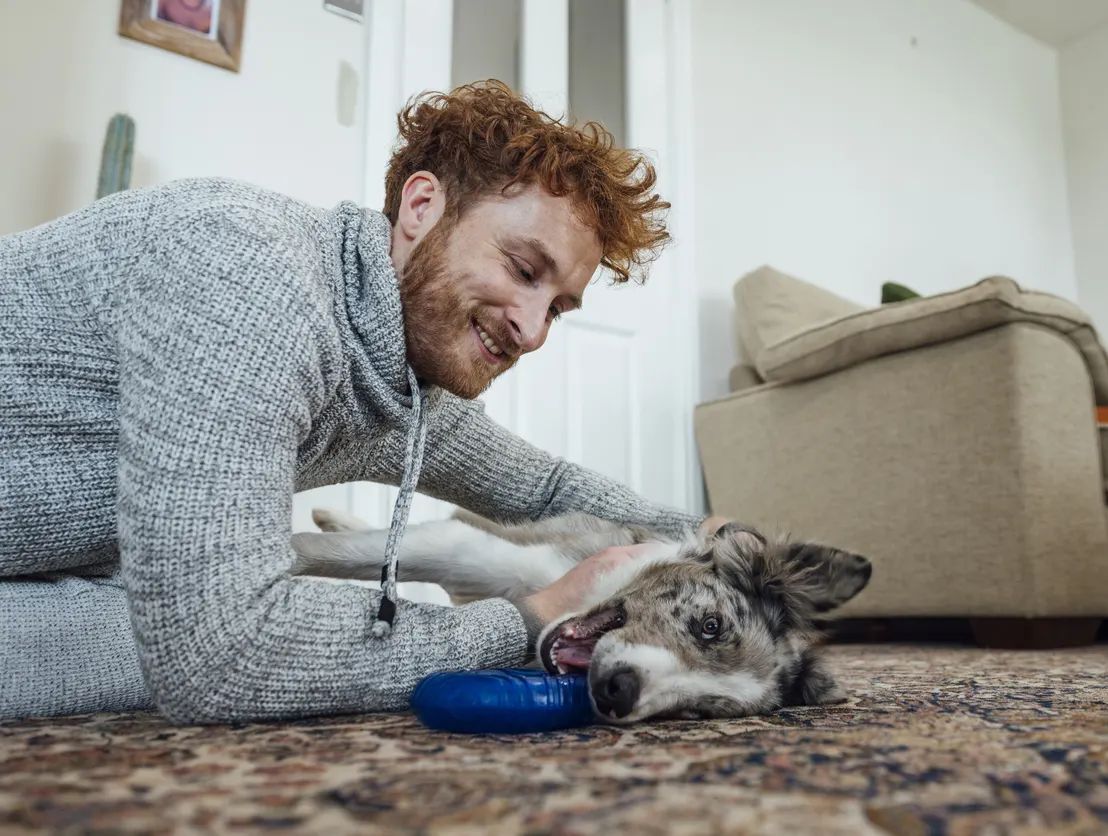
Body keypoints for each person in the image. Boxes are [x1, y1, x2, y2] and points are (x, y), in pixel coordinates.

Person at [0, 81, 725, 723]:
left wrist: (723, 542)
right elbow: (218, 662)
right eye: (522, 268)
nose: (532, 330)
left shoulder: (402, 385)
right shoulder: (251, 272)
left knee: (174, 623)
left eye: (558, 307)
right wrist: (527, 619)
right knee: (202, 633)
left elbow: (544, 488)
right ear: (420, 205)